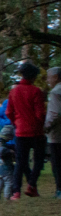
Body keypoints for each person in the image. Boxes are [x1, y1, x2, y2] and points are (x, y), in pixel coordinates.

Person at [6, 61, 48, 200]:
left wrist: (16, 123)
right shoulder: (36, 91)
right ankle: (31, 185)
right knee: (38, 160)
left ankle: (16, 192)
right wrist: (42, 125)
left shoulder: (13, 91)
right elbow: (40, 114)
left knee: (20, 161)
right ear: (33, 76)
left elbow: (9, 112)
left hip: (20, 131)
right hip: (36, 132)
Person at [46, 67, 61, 199]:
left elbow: (54, 114)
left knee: (57, 163)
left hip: (57, 134)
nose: (47, 80)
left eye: (49, 77)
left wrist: (46, 127)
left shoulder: (55, 92)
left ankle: (59, 190)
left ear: (56, 77)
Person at [0, 125, 16, 201]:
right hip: (5, 167)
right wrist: (10, 152)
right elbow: (1, 151)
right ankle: (7, 198)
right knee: (8, 183)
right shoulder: (2, 144)